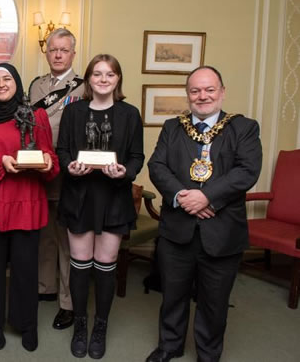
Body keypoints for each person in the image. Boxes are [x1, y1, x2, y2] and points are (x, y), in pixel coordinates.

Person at [146, 66, 262, 362]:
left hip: (222, 231)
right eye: (195, 90)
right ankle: (169, 346)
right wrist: (184, 198)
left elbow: (247, 171)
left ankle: (208, 355)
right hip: (177, 230)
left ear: (222, 92)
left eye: (209, 89)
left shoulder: (244, 127)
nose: (202, 96)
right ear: (188, 95)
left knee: (215, 301)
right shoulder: (173, 127)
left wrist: (207, 196)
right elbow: (157, 166)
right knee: (173, 295)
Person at [0, 63, 60, 352]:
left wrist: (46, 162)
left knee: (25, 268)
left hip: (25, 202)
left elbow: (51, 159)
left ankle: (27, 324)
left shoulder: (37, 115)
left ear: (17, 83)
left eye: (7, 78)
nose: (1, 83)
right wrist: (2, 162)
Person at [56, 54, 144, 359]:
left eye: (109, 74)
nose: (103, 79)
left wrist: (125, 172)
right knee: (79, 265)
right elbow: (62, 150)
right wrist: (69, 167)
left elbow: (136, 156)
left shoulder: (130, 114)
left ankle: (100, 327)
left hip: (114, 197)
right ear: (88, 79)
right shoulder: (73, 112)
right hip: (79, 196)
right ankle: (80, 325)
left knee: (105, 266)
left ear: (118, 79)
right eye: (97, 74)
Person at [28, 28, 85, 330]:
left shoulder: (84, 87)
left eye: (64, 50)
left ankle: (68, 301)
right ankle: (44, 286)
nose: (59, 54)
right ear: (46, 52)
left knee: (67, 240)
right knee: (44, 234)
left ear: (73, 54)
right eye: (53, 49)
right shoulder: (36, 86)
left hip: (68, 173)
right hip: (38, 172)